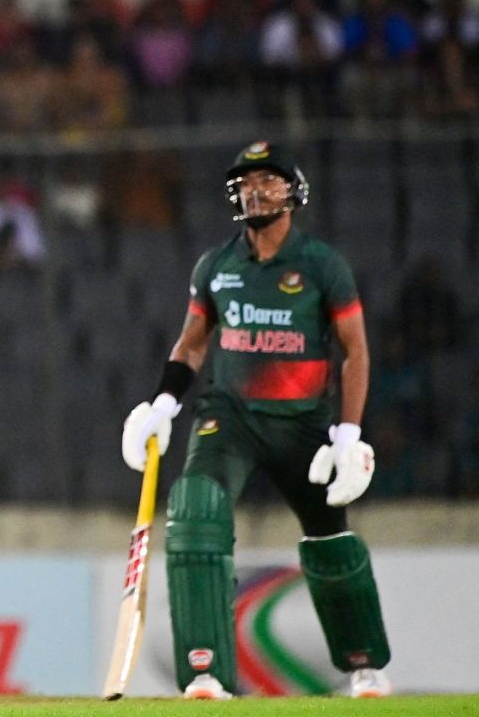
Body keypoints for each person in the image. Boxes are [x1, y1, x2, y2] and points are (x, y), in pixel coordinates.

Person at [119, 142, 392, 699]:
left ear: (294, 192)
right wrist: (163, 403)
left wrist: (348, 433)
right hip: (231, 417)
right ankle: (205, 671)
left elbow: (355, 351)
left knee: (331, 539)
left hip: (304, 424)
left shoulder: (322, 265)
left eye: (268, 180)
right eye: (246, 182)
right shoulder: (216, 266)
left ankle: (363, 665)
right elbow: (192, 345)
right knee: (196, 511)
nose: (255, 190)